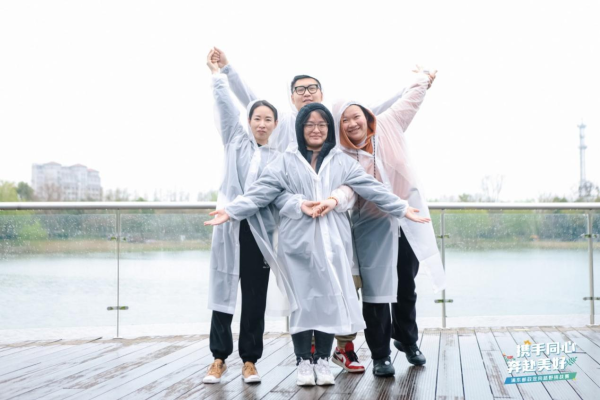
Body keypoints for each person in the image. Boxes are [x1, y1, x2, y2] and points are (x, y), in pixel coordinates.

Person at [209, 46, 415, 373]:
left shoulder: (332, 125)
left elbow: (371, 112)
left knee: (340, 284)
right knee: (301, 291)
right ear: (291, 98)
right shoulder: (283, 132)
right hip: (293, 224)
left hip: (335, 222)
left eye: (312, 88)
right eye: (299, 90)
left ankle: (341, 350)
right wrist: (227, 70)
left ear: (322, 94)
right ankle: (304, 357)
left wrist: (410, 88)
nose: (307, 95)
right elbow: (252, 104)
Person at [329, 67, 446, 376]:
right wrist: (334, 200)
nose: (352, 123)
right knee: (377, 292)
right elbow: (347, 192)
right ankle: (380, 354)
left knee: (406, 284)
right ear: (339, 127)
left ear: (366, 116)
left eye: (356, 116)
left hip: (409, 222)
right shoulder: (341, 156)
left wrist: (424, 80)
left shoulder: (390, 124)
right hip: (371, 227)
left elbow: (411, 99)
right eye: (344, 120)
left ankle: (407, 340)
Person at [202, 49, 298, 385]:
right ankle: (218, 358)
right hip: (227, 228)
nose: (261, 123)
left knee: (254, 296)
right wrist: (218, 74)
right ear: (249, 121)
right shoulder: (234, 141)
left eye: (268, 119)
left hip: (260, 232)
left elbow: (267, 195)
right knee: (222, 292)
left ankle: (250, 361)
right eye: (256, 118)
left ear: (275, 125)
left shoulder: (280, 158)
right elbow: (226, 105)